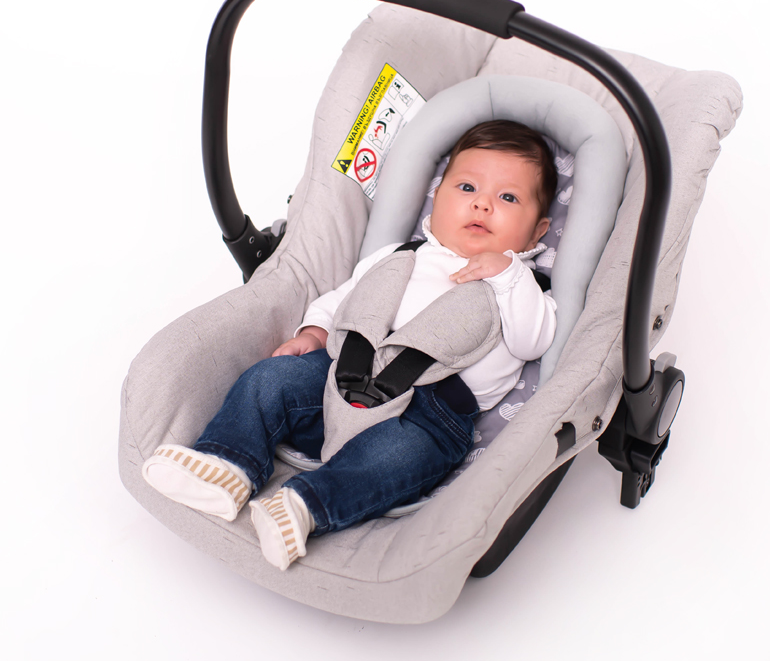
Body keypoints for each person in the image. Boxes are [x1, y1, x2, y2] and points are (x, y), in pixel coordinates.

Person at [142, 120, 559, 571]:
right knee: (270, 379)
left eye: (508, 198)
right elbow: (346, 299)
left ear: (538, 231)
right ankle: (227, 462)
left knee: (401, 457)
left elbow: (532, 340)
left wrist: (506, 274)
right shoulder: (401, 255)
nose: (482, 203)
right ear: (436, 198)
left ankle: (306, 506)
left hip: (427, 414)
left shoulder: (524, 288)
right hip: (341, 373)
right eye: (467, 187)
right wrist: (314, 333)